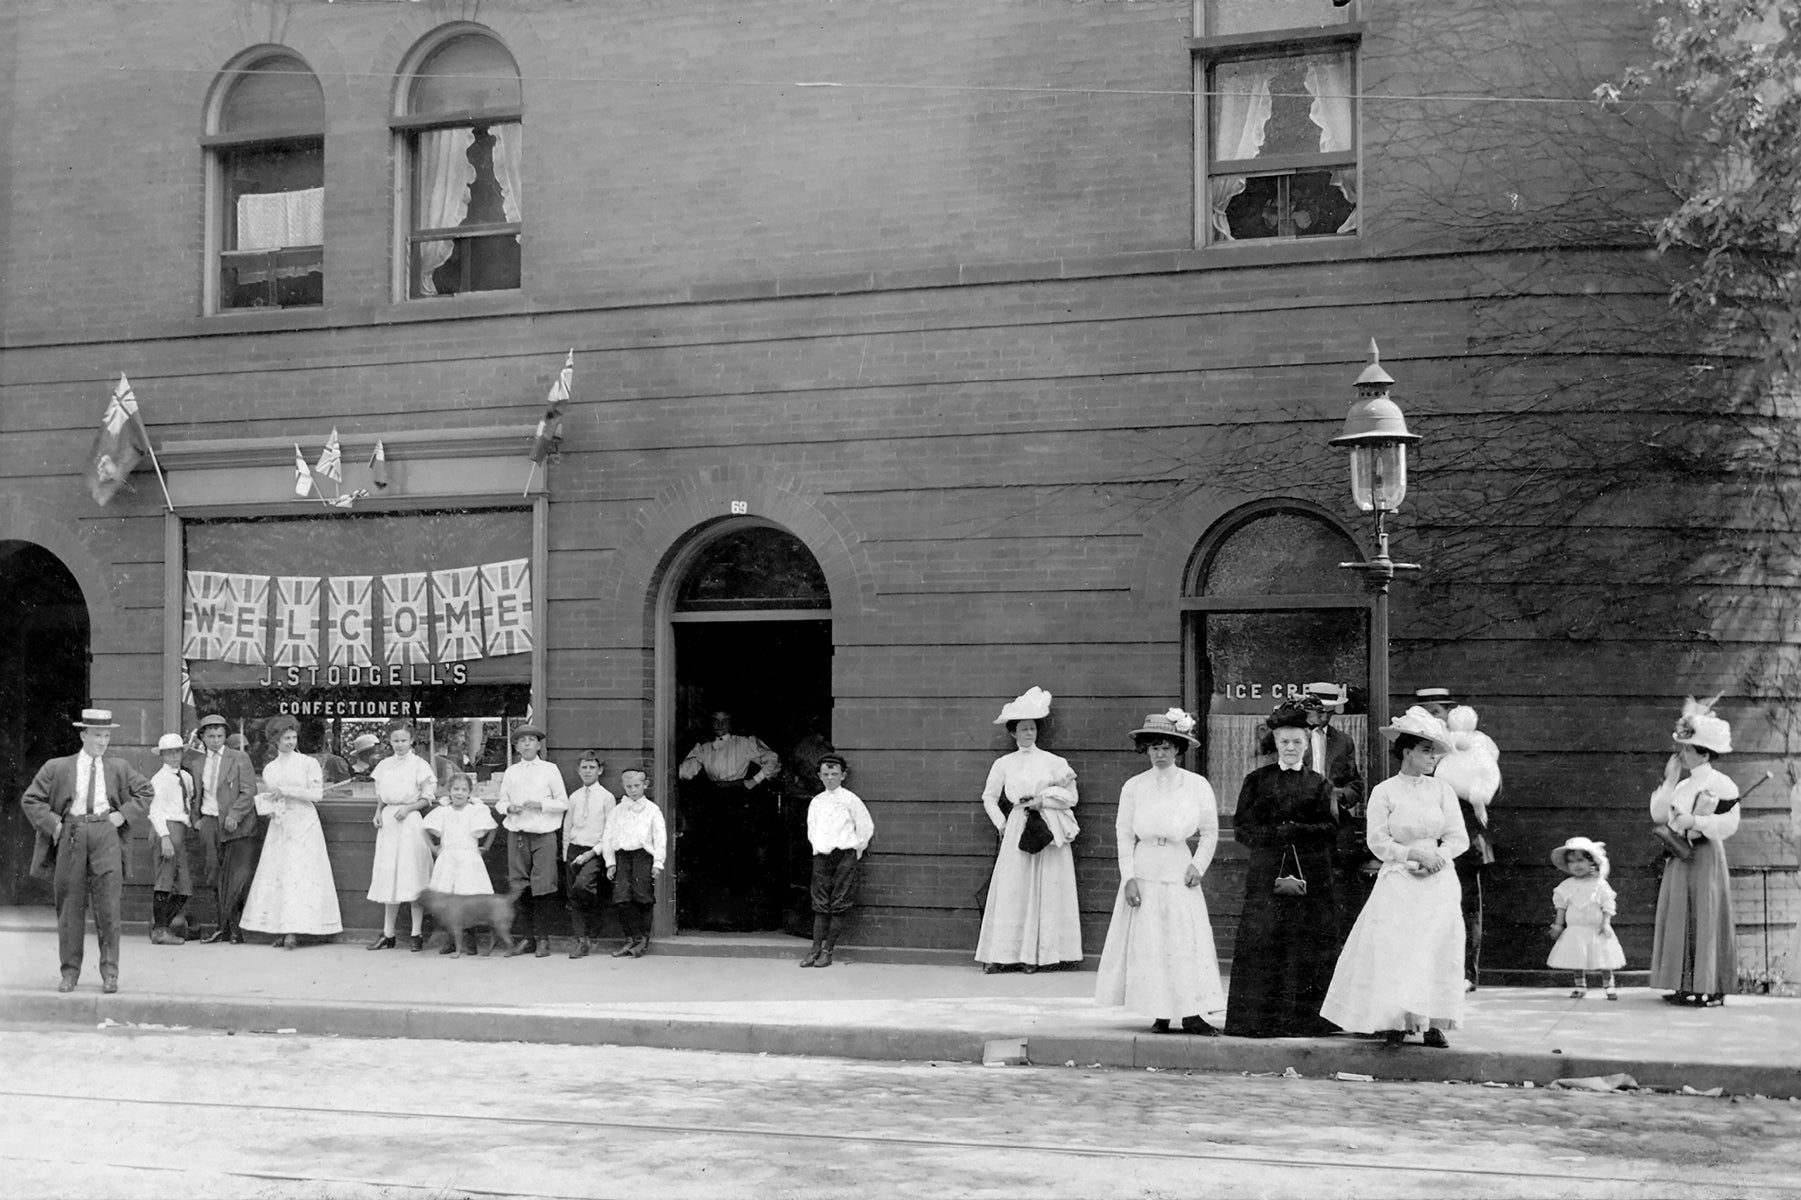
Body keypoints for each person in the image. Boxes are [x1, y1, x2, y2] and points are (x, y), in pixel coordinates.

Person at [1320, 706, 1467, 1048]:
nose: (1432, 758)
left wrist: (1437, 857)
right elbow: (1378, 840)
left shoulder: (1442, 792)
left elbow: (1457, 838)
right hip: (1398, 878)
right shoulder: (1384, 791)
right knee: (1395, 949)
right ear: (1407, 752)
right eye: (1426, 750)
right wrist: (1411, 854)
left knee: (1434, 948)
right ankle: (1392, 1020)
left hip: (1438, 879)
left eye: (1434, 752)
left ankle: (1431, 1022)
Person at [1094, 709, 1226, 1035]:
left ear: (1178, 749)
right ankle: (1160, 1012)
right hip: (1145, 864)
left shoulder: (1196, 785)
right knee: (1150, 940)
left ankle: (1192, 1013)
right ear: (1146, 750)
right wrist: (1129, 878)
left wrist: (1199, 864)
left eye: (1167, 747)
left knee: (1184, 940)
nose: (1160, 754)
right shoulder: (1134, 787)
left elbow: (1209, 831)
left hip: (1179, 865)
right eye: (1154, 747)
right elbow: (1124, 834)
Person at [1224, 703, 1345, 1038]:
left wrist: (1297, 831)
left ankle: (1305, 1021)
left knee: (1305, 945)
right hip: (1266, 874)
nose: (1291, 748)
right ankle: (1258, 1021)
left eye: (1297, 743)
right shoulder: (1257, 781)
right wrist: (1275, 835)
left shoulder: (1320, 784)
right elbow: (1242, 829)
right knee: (1265, 943)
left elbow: (1330, 827)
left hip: (1311, 876)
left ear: (1307, 746)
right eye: (1284, 742)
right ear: (1275, 743)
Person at [19, 708, 153, 993]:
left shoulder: (118, 766)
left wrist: (123, 814)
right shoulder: (57, 767)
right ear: (83, 735)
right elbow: (31, 799)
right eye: (97, 735)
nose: (102, 741)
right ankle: (69, 973)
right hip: (72, 834)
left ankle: (110, 974)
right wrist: (54, 824)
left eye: (106, 735)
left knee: (109, 907)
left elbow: (146, 791)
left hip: (106, 834)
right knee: (69, 908)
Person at [975, 687, 1082, 974]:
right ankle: (1003, 954)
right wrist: (1001, 822)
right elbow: (988, 796)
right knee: (1014, 890)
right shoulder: (1003, 764)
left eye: (1032, 728)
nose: (1028, 734)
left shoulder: (1053, 762)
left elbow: (1072, 797)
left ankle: (1035, 957)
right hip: (1016, 829)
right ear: (1013, 733)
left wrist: (1043, 800)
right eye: (1022, 729)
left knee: (1044, 889)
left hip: (1045, 828)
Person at [1649, 694, 1741, 1007]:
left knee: (1706, 913)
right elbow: (1660, 815)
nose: (1682, 754)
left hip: (1705, 856)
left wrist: (1698, 821)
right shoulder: (1682, 784)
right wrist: (1670, 779)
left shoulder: (1722, 783)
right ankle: (1681, 983)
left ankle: (1710, 986)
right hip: (1679, 855)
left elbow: (1729, 823)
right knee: (1679, 915)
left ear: (1704, 752)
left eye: (1687, 749)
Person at [1415, 686, 1502, 991]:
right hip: (1426, 842)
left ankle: (1467, 973)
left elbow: (1488, 788)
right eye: (1426, 712)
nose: (1433, 719)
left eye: (1437, 712)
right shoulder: (1419, 749)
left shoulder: (1472, 748)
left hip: (1464, 840)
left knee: (1466, 907)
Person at [239, 714, 343, 949]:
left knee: (302, 875)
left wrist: (288, 790)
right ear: (275, 740)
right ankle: (283, 928)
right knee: (282, 876)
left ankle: (302, 928)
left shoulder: (308, 763)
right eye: (286, 738)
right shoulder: (271, 769)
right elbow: (272, 796)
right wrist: (271, 807)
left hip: (305, 824)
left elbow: (317, 795)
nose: (290, 742)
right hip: (281, 825)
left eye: (293, 737)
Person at [677, 710, 783, 928]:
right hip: (715, 802)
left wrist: (754, 781)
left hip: (740, 799)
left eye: (725, 721)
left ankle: (741, 918)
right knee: (715, 858)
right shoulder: (704, 748)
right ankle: (715, 916)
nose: (720, 725)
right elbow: (684, 773)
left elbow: (772, 760)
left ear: (731, 723)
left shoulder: (744, 743)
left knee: (741, 858)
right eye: (715, 721)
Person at [493, 721, 568, 957]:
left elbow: (563, 802)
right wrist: (509, 808)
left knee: (543, 887)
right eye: (522, 740)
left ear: (538, 745)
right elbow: (500, 802)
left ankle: (543, 938)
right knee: (520, 886)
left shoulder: (549, 769)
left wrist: (541, 804)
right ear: (516, 747)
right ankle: (527, 939)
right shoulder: (511, 771)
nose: (526, 743)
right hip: (518, 835)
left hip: (543, 835)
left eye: (531, 740)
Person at [185, 713, 260, 943]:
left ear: (226, 736)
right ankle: (222, 926)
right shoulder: (196, 763)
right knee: (214, 875)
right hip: (209, 823)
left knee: (236, 877)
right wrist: (196, 819)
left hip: (236, 826)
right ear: (203, 738)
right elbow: (193, 794)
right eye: (211, 736)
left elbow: (249, 791)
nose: (216, 740)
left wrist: (235, 814)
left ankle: (236, 928)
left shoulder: (239, 758)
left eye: (220, 735)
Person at [366, 719, 438, 952]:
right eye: (395, 740)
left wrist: (409, 808)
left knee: (412, 875)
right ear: (390, 741)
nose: (399, 745)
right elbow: (381, 794)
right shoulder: (384, 765)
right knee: (390, 876)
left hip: (409, 821)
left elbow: (428, 796)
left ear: (412, 740)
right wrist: (378, 812)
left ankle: (416, 933)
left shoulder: (419, 765)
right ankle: (388, 934)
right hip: (389, 822)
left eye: (404, 740)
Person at [800, 754, 874, 968]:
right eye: (826, 774)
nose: (830, 778)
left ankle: (828, 950)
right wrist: (819, 848)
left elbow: (865, 828)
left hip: (844, 856)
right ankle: (814, 949)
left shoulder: (851, 800)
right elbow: (812, 830)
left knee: (839, 902)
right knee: (820, 903)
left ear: (843, 775)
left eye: (834, 774)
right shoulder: (816, 802)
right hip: (822, 857)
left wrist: (854, 851)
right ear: (819, 776)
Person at [422, 772, 499, 955]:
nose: (459, 793)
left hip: (469, 858)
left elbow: (492, 828)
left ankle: (470, 940)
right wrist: (434, 848)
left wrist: (485, 847)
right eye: (456, 789)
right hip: (448, 858)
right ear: (449, 791)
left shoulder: (475, 810)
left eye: (464, 790)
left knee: (468, 898)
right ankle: (451, 939)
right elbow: (424, 829)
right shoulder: (443, 811)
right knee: (449, 899)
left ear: (469, 792)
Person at [1546, 836, 1624, 1000]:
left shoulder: (1599, 884)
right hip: (1575, 929)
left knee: (1604, 957)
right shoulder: (1566, 886)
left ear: (1592, 862)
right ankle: (1580, 985)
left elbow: (1607, 905)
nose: (1577, 865)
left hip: (1596, 928)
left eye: (1581, 860)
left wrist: (1606, 923)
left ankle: (1609, 985)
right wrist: (1558, 925)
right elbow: (1561, 907)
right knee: (1577, 957)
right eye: (1572, 862)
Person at [603, 767, 667, 958]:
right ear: (623, 786)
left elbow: (660, 837)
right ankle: (630, 939)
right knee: (622, 898)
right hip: (623, 856)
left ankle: (643, 940)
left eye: (637, 785)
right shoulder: (617, 810)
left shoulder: (652, 810)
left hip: (643, 856)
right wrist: (610, 861)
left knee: (642, 897)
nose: (633, 790)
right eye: (628, 786)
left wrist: (658, 862)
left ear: (645, 785)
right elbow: (608, 835)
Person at [146, 733, 197, 946]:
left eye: (177, 751)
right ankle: (161, 929)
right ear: (162, 755)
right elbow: (155, 811)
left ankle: (161, 925)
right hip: (165, 830)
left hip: (180, 831)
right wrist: (165, 838)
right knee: (164, 880)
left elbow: (189, 799)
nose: (175, 756)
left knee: (184, 888)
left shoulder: (185, 777)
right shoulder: (159, 779)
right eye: (169, 753)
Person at [564, 750, 616, 959]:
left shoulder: (607, 798)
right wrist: (565, 852)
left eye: (592, 767)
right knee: (573, 896)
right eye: (584, 767)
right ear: (578, 770)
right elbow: (568, 827)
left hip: (594, 851)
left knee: (582, 886)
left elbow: (609, 833)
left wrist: (591, 853)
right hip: (574, 850)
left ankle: (594, 924)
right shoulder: (574, 796)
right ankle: (581, 941)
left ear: (600, 770)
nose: (587, 771)